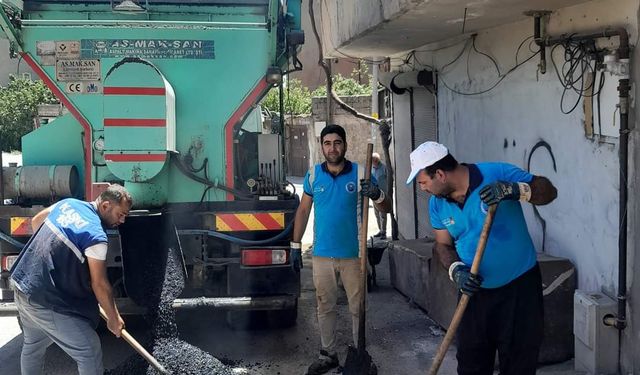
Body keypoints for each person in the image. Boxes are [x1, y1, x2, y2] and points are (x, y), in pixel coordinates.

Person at [406, 141, 557, 375]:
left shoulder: (496, 174)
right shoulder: (437, 204)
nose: (423, 188)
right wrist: (456, 270)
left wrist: (515, 190)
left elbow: (548, 191)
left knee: (520, 363)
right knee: (471, 364)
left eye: (423, 182)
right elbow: (442, 245)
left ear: (440, 174)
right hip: (473, 292)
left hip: (519, 289)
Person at [291, 124, 391, 375]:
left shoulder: (360, 173)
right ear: (322, 146)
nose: (332, 148)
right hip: (322, 254)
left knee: (358, 307)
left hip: (354, 255)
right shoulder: (313, 175)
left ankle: (359, 353)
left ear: (344, 145)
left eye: (337, 142)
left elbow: (386, 208)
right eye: (327, 143)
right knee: (324, 305)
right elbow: (303, 211)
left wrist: (377, 194)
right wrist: (294, 245)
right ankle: (328, 354)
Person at [10, 184, 133, 375]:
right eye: (120, 214)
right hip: (44, 298)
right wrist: (114, 318)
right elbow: (99, 284)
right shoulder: (95, 236)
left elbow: (37, 221)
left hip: (23, 283)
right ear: (106, 206)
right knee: (89, 350)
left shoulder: (69, 204)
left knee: (33, 345)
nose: (123, 220)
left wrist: (54, 256)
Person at [371, 152, 388, 239]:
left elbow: (389, 180)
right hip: (374, 194)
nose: (372, 162)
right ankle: (380, 230)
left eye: (373, 161)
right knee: (376, 213)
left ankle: (384, 232)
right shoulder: (372, 169)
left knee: (383, 214)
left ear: (377, 160)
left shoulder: (384, 167)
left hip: (382, 195)